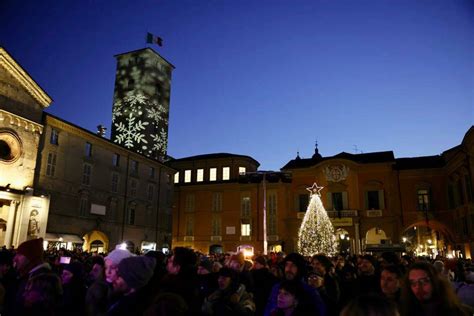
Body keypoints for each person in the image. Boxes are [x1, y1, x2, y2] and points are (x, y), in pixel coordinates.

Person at [400, 261, 470, 316]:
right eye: (413, 283)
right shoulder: (406, 310)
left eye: (424, 281)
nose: (418, 287)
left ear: (435, 281)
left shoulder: (456, 312)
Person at [7, 238, 51, 316]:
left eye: (20, 255)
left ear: (31, 258)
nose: (15, 259)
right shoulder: (28, 276)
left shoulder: (40, 281)